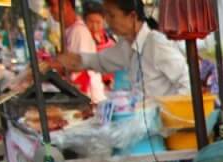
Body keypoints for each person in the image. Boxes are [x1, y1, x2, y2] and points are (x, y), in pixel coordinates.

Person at [54, 0, 190, 99]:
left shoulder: (156, 44)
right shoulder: (126, 45)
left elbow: (187, 84)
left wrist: (167, 116)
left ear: (132, 16)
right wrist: (68, 61)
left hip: (163, 129)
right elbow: (98, 61)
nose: (108, 21)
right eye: (106, 16)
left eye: (112, 16)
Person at [47, 0, 105, 103]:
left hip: (90, 100)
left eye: (52, 5)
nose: (50, 10)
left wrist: (49, 66)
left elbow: (78, 65)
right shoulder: (70, 30)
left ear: (66, 4)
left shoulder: (79, 32)